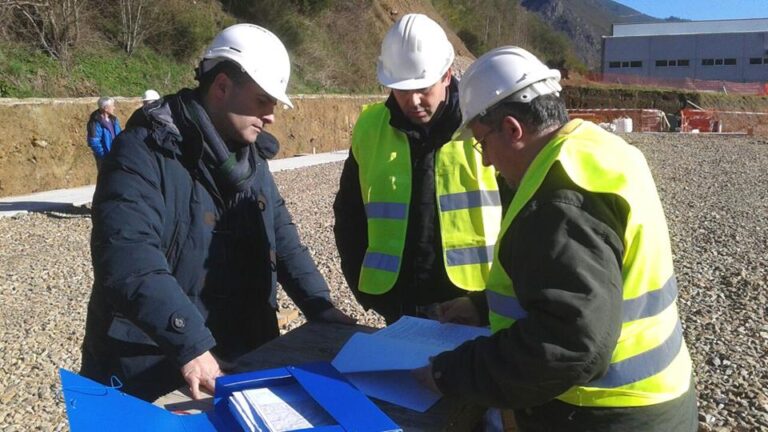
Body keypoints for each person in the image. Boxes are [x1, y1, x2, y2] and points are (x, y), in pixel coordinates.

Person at [413, 46, 698, 431]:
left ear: (513, 129)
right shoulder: (597, 151)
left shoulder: (558, 201)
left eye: (482, 143)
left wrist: (452, 373)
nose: (486, 162)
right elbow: (586, 283)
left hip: (605, 414)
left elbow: (571, 343)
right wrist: (482, 307)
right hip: (655, 399)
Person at [81, 23, 355, 402]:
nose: (272, 115)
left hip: (237, 354)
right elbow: (129, 259)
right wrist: (190, 345)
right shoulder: (141, 152)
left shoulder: (250, 160)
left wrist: (319, 305)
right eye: (263, 101)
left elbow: (281, 236)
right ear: (222, 87)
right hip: (150, 366)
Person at [333, 14, 504, 325]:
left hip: (476, 304)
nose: (412, 101)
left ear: (447, 76)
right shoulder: (371, 127)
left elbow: (521, 220)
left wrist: (487, 303)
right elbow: (349, 214)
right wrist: (368, 291)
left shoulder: (483, 126)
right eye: (400, 89)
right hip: (399, 303)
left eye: (423, 88)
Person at [86, 96, 121, 169]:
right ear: (106, 108)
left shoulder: (114, 119)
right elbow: (94, 142)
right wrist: (105, 156)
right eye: (112, 106)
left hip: (116, 155)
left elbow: (119, 135)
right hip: (105, 158)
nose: (114, 108)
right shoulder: (95, 123)